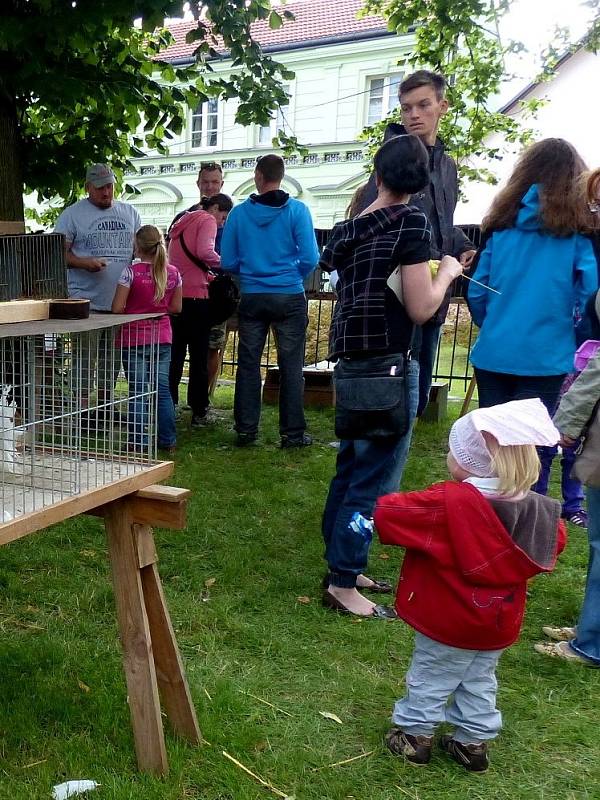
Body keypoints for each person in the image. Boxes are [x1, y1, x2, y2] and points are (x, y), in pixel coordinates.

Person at [374, 399, 566, 770]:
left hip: (446, 616)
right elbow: (554, 542)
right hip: (498, 619)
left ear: (468, 460)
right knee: (479, 677)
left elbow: (390, 512)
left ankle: (414, 735)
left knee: (431, 674)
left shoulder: (447, 503)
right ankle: (472, 742)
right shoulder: (540, 510)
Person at [320, 134, 464, 617]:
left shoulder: (346, 230)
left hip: (351, 362)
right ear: (420, 182)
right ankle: (343, 581)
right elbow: (423, 308)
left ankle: (341, 564)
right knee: (374, 479)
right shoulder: (412, 222)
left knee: (350, 467)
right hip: (390, 362)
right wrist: (446, 273)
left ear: (377, 176)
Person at [355, 70, 476, 416]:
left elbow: (443, 222)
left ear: (442, 106)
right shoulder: (391, 162)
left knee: (419, 390)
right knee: (393, 397)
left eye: (423, 105)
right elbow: (368, 223)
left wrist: (463, 244)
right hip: (395, 295)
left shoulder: (448, 167)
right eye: (406, 108)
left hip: (435, 287)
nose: (414, 115)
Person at [468, 139, 597, 428]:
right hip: (547, 356)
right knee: (526, 449)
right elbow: (589, 294)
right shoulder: (578, 234)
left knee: (493, 444)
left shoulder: (501, 228)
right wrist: (573, 335)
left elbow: (477, 289)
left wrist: (494, 324)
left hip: (494, 351)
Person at [220, 154, 319, 448]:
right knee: (291, 366)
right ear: (281, 176)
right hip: (289, 294)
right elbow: (311, 258)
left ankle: (246, 429)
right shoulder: (298, 211)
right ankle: (292, 433)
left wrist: (250, 271)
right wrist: (292, 274)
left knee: (249, 363)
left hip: (252, 294)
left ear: (258, 177)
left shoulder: (238, 215)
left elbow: (227, 260)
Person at [54, 164, 141, 416]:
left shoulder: (130, 212)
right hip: (85, 302)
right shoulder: (72, 215)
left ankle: (104, 407)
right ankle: (81, 410)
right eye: (100, 187)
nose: (106, 192)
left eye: (110, 186)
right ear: (87, 187)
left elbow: (141, 250)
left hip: (118, 302)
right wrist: (84, 263)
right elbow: (57, 252)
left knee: (111, 360)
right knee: (84, 358)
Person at [112, 226, 182, 452]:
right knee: (163, 390)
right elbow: (176, 307)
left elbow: (117, 308)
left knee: (138, 391)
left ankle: (137, 441)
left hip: (133, 337)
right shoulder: (173, 273)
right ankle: (167, 440)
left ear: (138, 246)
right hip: (162, 336)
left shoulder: (129, 272)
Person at [167, 193, 233, 428]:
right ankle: (199, 409)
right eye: (223, 217)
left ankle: (168, 405)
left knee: (174, 356)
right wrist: (226, 262)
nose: (221, 223)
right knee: (198, 357)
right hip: (198, 297)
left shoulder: (182, 221)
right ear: (215, 208)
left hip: (177, 296)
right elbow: (205, 252)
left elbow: (181, 259)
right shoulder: (206, 219)